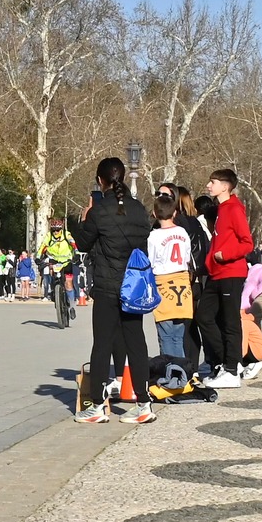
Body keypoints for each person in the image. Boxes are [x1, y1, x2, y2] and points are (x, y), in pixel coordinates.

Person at [74, 156, 153, 422]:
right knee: (136, 342)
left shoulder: (99, 211)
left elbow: (84, 244)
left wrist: (82, 220)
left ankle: (97, 406)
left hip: (108, 285)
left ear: (101, 180)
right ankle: (143, 404)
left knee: (102, 344)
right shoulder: (140, 210)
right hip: (133, 285)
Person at [200, 170, 254, 385]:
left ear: (225, 186)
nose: (208, 185)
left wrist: (225, 255)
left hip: (231, 271)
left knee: (230, 320)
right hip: (216, 272)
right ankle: (229, 361)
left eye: (212, 182)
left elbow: (247, 242)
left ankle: (231, 370)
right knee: (204, 316)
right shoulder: (221, 209)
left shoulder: (233, 209)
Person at [147, 194, 195, 360]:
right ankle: (181, 369)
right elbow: (188, 257)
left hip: (163, 282)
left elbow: (151, 261)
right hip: (182, 281)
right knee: (178, 333)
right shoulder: (182, 232)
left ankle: (170, 371)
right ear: (174, 213)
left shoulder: (154, 236)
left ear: (154, 212)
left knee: (166, 333)